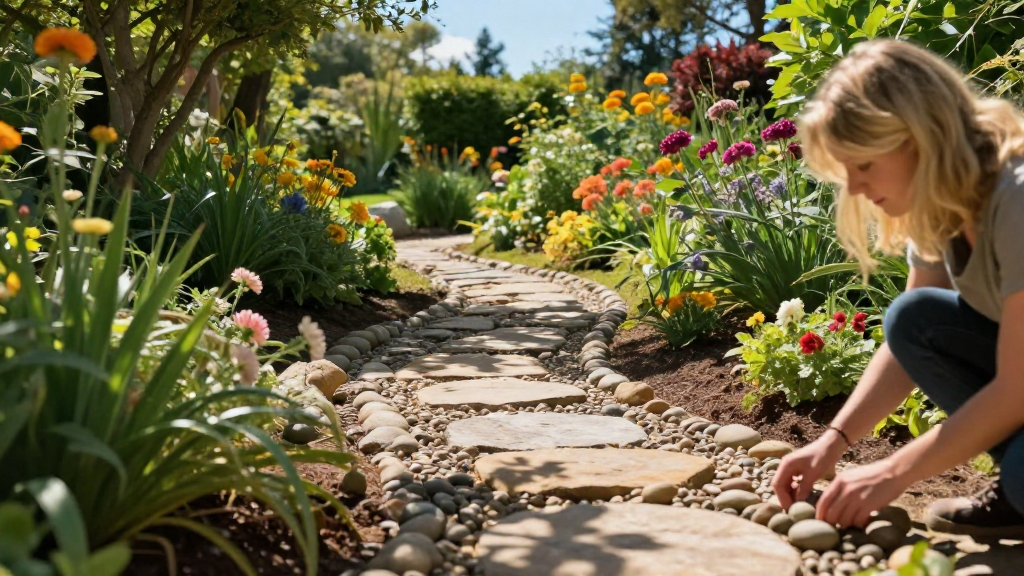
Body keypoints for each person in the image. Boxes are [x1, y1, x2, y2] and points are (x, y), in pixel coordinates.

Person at [772, 38, 1024, 537]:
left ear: (921, 137)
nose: (857, 187)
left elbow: (1017, 388)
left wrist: (891, 473)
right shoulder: (943, 205)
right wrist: (833, 441)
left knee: (1022, 478)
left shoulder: (1016, 199)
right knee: (913, 317)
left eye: (864, 165)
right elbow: (908, 343)